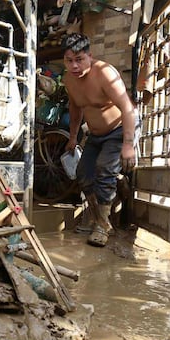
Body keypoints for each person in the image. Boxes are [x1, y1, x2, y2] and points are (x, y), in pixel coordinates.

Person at [62, 33, 137, 247]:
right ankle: (99, 218)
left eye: (79, 59)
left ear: (89, 56)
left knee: (104, 170)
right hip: (94, 134)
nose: (74, 65)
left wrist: (128, 144)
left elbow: (127, 108)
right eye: (69, 60)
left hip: (118, 130)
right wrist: (73, 137)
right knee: (83, 174)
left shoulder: (104, 73)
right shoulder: (69, 79)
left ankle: (102, 227)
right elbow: (75, 108)